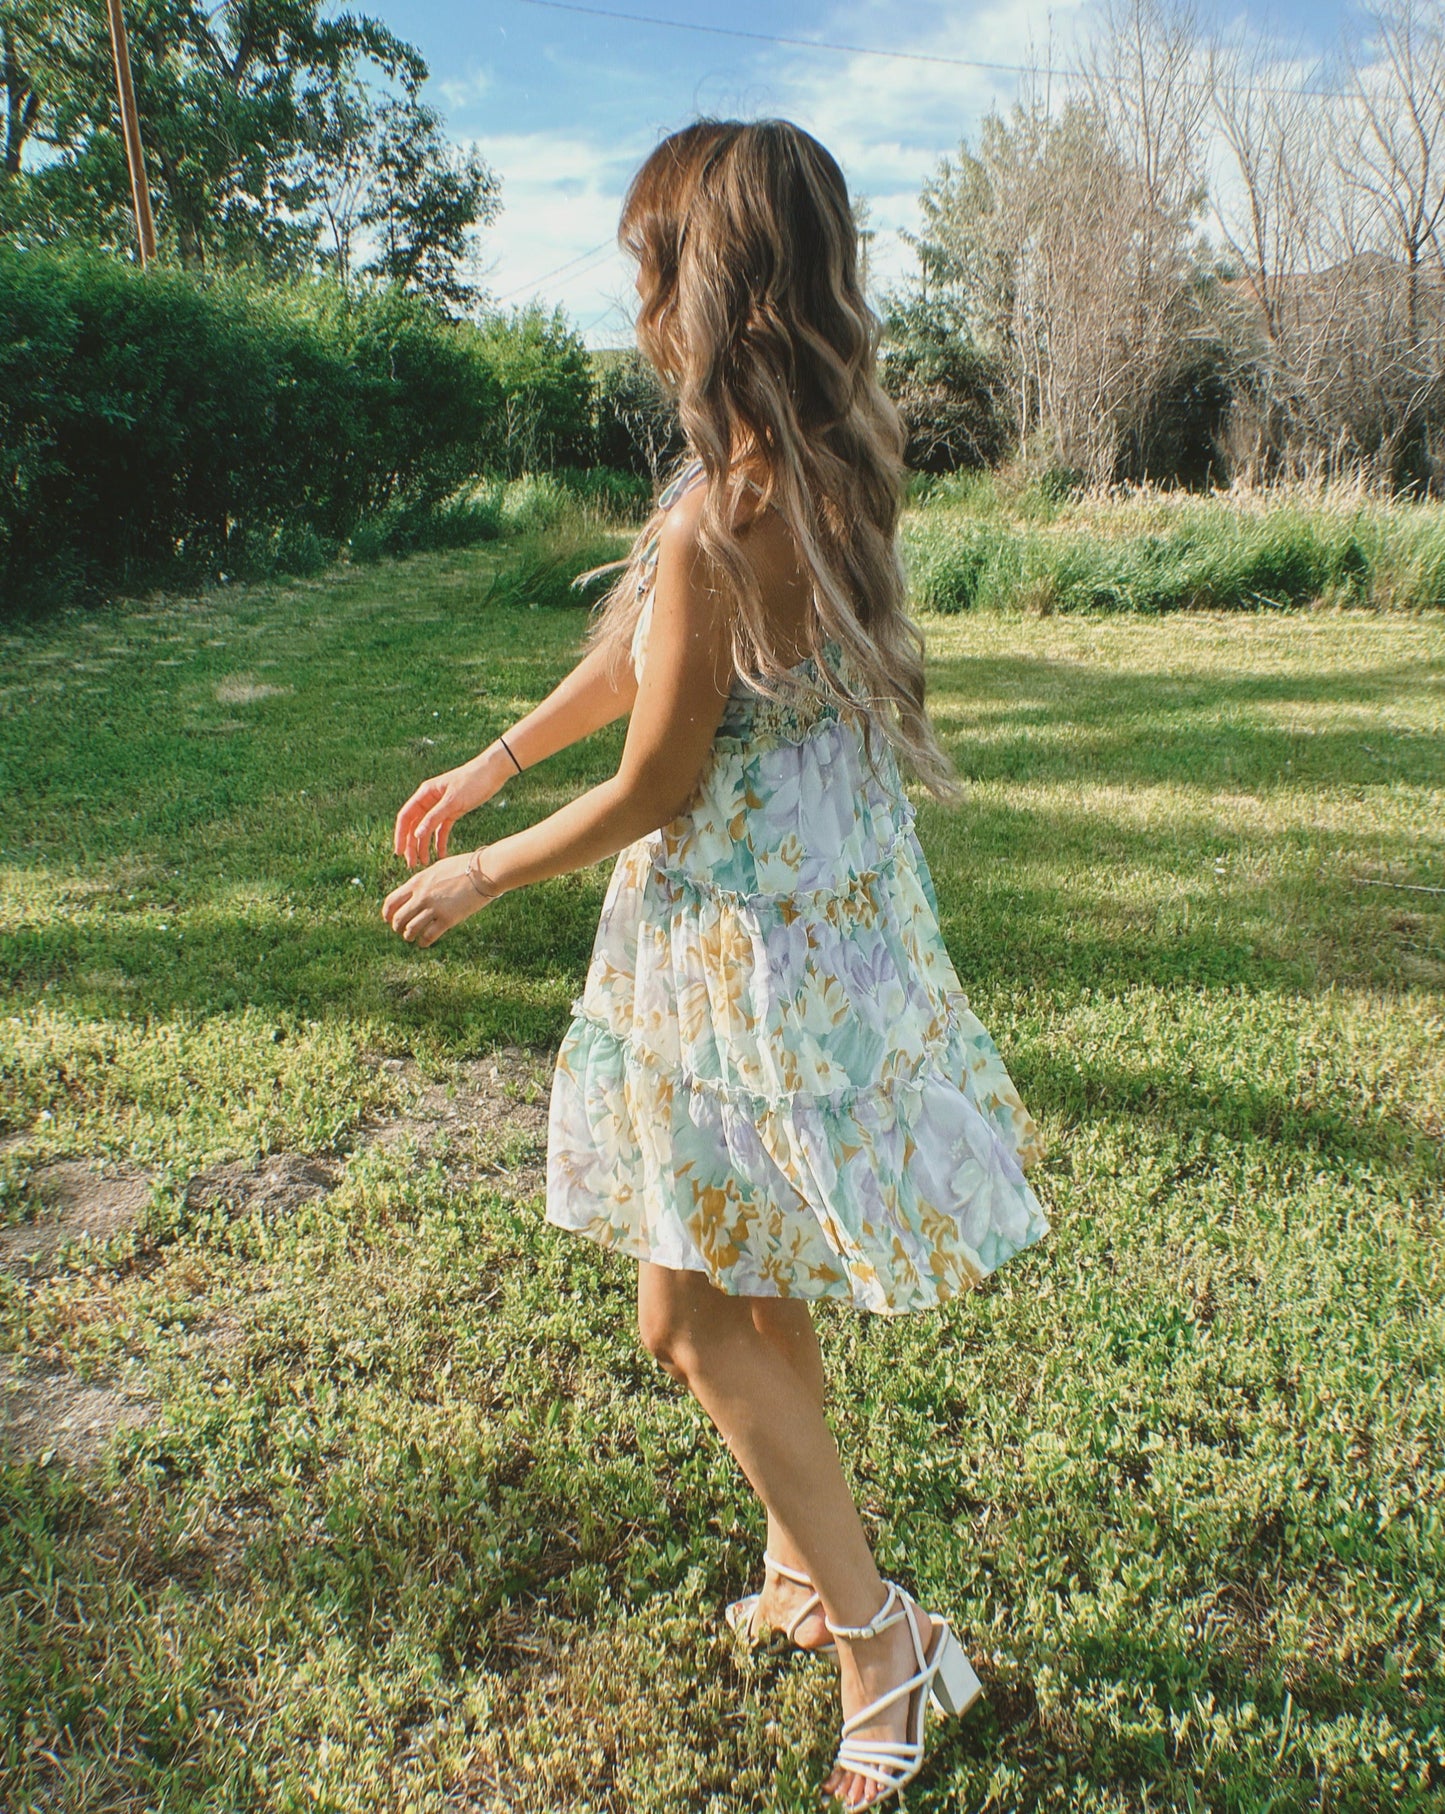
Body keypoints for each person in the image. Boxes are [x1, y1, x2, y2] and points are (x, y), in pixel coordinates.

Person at [382, 117, 1051, 1811]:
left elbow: (664, 778)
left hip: (739, 947)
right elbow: (636, 660)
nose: (630, 301)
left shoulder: (718, 516)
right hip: (816, 936)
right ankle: (800, 1563)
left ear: (711, 287)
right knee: (751, 1275)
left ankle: (880, 1637)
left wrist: (485, 864)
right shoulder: (812, 462)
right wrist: (495, 755)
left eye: (645, 268)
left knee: (684, 1314)